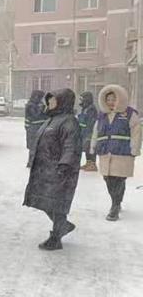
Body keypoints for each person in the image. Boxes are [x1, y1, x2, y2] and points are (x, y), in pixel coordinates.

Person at [24, 89, 80, 251]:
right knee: (45, 201)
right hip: (45, 170)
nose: (49, 103)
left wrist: (64, 165)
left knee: (56, 203)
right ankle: (62, 226)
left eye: (53, 101)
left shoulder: (69, 122)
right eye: (49, 101)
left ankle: (56, 237)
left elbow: (71, 147)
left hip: (59, 171)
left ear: (62, 102)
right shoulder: (52, 119)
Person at [90, 85, 141, 221]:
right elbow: (96, 132)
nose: (111, 102)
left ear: (120, 98)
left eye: (114, 99)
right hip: (106, 152)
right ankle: (117, 201)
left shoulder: (129, 114)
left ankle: (114, 206)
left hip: (122, 152)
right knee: (108, 179)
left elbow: (136, 132)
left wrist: (134, 149)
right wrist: (93, 146)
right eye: (108, 99)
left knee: (118, 179)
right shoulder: (101, 115)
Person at [25, 90, 47, 163]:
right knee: (33, 146)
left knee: (39, 146)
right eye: (40, 97)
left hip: (38, 128)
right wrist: (41, 109)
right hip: (33, 128)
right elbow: (35, 116)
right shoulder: (31, 105)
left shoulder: (38, 104)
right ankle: (31, 162)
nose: (41, 99)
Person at [78, 91, 98, 172]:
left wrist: (88, 133)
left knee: (91, 148)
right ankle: (88, 162)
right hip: (84, 132)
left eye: (82, 99)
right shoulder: (85, 108)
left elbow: (90, 122)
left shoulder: (91, 109)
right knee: (86, 148)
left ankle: (93, 164)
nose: (80, 101)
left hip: (89, 132)